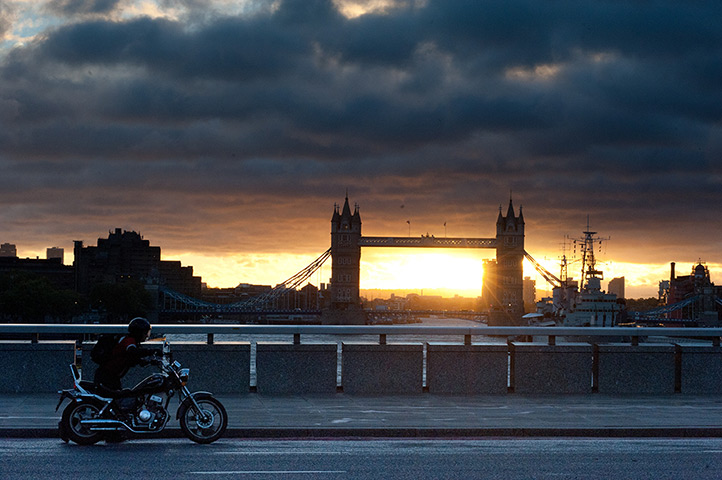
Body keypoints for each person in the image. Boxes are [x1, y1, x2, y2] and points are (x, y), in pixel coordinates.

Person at [94, 317, 158, 392]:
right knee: (117, 400)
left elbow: (132, 359)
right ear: (138, 332)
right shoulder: (128, 340)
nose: (147, 336)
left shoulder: (132, 341)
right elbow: (132, 351)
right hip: (107, 376)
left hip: (111, 376)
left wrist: (149, 361)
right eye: (145, 333)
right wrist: (151, 351)